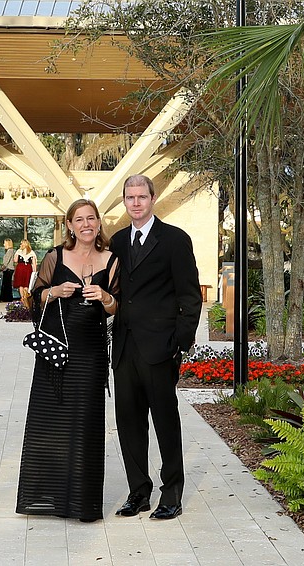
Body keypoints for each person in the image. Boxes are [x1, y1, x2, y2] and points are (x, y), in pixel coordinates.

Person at [16, 199, 119, 523]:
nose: (86, 224)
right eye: (79, 219)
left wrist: (104, 297)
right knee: (50, 424)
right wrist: (55, 291)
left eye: (91, 218)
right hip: (56, 353)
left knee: (86, 424)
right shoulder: (54, 257)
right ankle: (47, 497)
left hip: (90, 354)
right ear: (70, 225)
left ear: (99, 223)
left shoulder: (112, 259)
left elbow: (117, 306)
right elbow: (35, 298)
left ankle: (83, 503)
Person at [109, 174, 201, 521]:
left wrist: (179, 342)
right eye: (130, 197)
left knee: (165, 421)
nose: (136, 203)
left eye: (141, 197)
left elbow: (190, 297)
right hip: (124, 348)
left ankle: (171, 495)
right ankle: (138, 493)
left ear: (152, 198)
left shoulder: (175, 240)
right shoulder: (117, 241)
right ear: (124, 200)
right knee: (129, 422)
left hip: (160, 348)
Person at [13, 239, 37, 308]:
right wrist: (34, 272)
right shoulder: (32, 252)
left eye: (21, 243)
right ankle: (25, 298)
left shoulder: (19, 251)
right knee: (26, 284)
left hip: (20, 268)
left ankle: (22, 298)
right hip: (28, 268)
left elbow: (15, 260)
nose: (20, 245)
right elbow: (34, 263)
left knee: (21, 284)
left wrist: (17, 252)